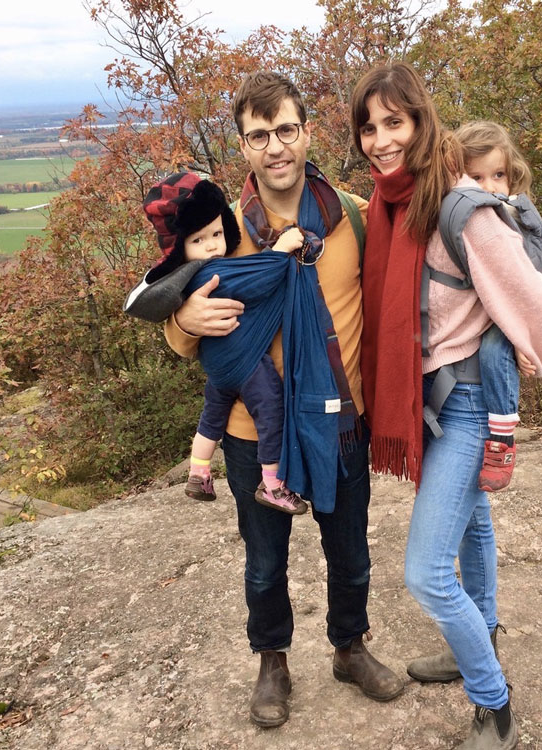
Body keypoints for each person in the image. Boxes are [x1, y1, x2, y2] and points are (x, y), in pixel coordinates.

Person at [162, 71, 403, 728]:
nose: (275, 147)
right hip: (252, 431)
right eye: (258, 135)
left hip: (340, 418)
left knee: (350, 550)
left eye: (286, 130)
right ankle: (273, 661)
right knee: (265, 560)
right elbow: (173, 320)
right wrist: (187, 323)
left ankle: (349, 648)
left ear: (306, 133)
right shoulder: (219, 232)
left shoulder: (353, 214)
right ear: (242, 147)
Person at [351, 63, 542, 750]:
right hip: (438, 398)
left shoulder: (456, 207)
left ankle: (492, 703)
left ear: (421, 121)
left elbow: (541, 302)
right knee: (473, 526)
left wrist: (531, 349)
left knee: (424, 574)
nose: (381, 140)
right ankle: (484, 638)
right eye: (368, 127)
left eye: (395, 122)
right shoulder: (393, 204)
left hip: (466, 401)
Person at [131, 172, 307, 515]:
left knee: (211, 417)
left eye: (216, 234)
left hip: (219, 370)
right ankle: (272, 483)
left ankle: (198, 472)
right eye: (199, 240)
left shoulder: (191, 277)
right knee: (272, 410)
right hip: (245, 365)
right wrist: (283, 249)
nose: (212, 245)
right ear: (180, 248)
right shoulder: (215, 273)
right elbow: (263, 278)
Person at [455, 120, 542, 491]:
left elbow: (535, 278)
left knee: (495, 352)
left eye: (498, 175)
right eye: (476, 178)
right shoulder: (463, 217)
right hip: (479, 317)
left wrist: (525, 340)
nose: (490, 187)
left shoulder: (517, 217)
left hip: (514, 313)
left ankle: (503, 439)